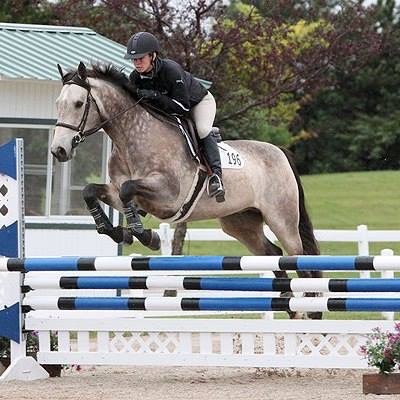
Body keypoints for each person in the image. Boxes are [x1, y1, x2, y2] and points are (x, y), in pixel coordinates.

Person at [124, 31, 225, 201]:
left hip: (198, 103)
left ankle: (216, 176)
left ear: (153, 56)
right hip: (170, 109)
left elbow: (183, 107)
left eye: (141, 58)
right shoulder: (134, 77)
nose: (137, 63)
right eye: (134, 59)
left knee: (201, 129)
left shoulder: (171, 70)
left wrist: (156, 96)